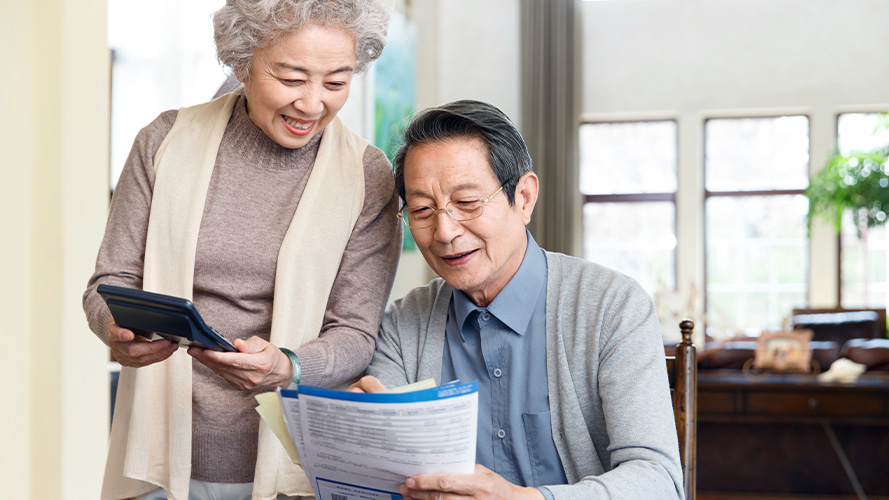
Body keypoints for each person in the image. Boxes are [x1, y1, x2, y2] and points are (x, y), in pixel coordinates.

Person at [82, 1, 399, 499]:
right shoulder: (163, 142)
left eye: (336, 82)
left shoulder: (366, 174)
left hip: (295, 462)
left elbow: (357, 332)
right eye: (292, 79)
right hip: (159, 457)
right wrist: (116, 328)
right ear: (242, 61)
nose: (313, 104)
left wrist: (289, 365)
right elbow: (109, 284)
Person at [349, 100, 685, 500]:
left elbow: (658, 481)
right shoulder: (404, 325)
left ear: (523, 197)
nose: (444, 230)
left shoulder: (612, 307)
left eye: (467, 202)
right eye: (422, 210)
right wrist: (363, 439)